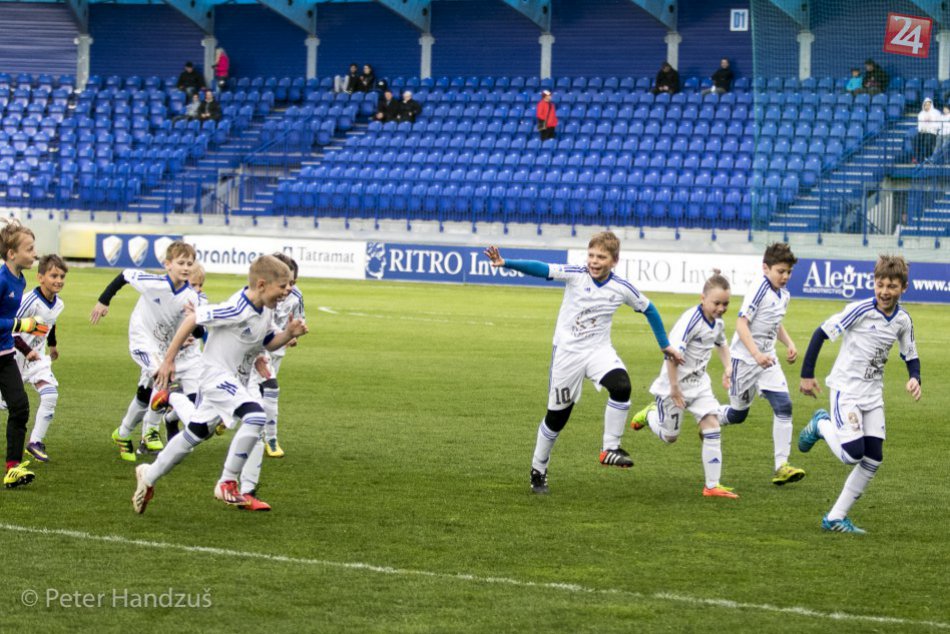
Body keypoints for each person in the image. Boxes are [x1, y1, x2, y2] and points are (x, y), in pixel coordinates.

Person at [483, 232, 684, 495]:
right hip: (568, 354)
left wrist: (663, 343)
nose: (594, 261)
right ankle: (538, 469)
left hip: (598, 351)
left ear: (614, 260)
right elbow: (542, 269)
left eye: (601, 257)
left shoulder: (621, 287)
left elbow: (649, 308)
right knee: (556, 419)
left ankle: (610, 448)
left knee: (622, 386)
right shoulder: (576, 273)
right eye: (591, 255)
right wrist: (505, 262)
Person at [133, 255, 308, 514]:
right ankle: (228, 483)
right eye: (282, 286)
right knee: (256, 417)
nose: (288, 291)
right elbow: (193, 320)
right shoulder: (238, 308)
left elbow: (268, 340)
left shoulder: (266, 308)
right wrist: (168, 361)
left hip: (237, 379)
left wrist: (288, 334)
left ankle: (148, 475)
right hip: (217, 377)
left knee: (194, 434)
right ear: (262, 284)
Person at [798, 255, 920, 534]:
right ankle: (821, 424)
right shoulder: (860, 310)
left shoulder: (903, 320)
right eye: (880, 284)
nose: (884, 291)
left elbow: (910, 355)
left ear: (904, 288)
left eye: (891, 286)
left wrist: (915, 378)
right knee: (852, 455)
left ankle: (835, 517)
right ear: (874, 284)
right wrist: (807, 374)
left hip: (872, 395)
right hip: (847, 390)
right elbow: (821, 333)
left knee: (873, 458)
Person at [630, 270, 736, 498]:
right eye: (716, 303)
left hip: (699, 385)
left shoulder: (717, 322)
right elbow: (671, 355)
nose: (721, 308)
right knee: (670, 437)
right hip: (674, 385)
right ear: (703, 298)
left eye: (725, 303)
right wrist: (674, 388)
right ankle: (650, 415)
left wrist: (728, 367)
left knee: (712, 424)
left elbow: (722, 344)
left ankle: (712, 486)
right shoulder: (691, 321)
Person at [90, 241, 198, 462]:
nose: (186, 267)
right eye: (181, 262)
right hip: (141, 339)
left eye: (190, 263)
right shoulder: (153, 282)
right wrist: (103, 300)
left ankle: (121, 434)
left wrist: (193, 328)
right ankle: (150, 431)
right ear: (168, 264)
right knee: (163, 375)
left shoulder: (192, 297)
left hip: (163, 348)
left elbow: (199, 329)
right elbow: (124, 275)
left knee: (145, 393)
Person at [717, 242, 806, 485]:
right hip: (745, 361)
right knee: (737, 414)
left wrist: (789, 343)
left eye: (788, 272)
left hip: (767, 360)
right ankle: (708, 416)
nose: (785, 276)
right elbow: (741, 324)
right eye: (781, 271)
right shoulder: (759, 288)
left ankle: (782, 465)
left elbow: (774, 323)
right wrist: (756, 355)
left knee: (784, 406)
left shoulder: (784, 294)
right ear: (765, 268)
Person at [1, 220, 46, 489]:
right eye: (29, 249)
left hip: (4, 354)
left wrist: (27, 339)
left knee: (20, 407)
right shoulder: (1, 280)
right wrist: (21, 325)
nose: (34, 254)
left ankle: (12, 468)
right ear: (11, 253)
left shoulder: (21, 280)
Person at [9, 254, 67, 463]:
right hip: (13, 359)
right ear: (40, 277)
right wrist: (26, 350)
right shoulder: (28, 301)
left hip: (37, 361)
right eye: (53, 275)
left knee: (50, 395)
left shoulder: (58, 304)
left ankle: (35, 442)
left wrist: (52, 345)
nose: (58, 280)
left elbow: (49, 323)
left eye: (61, 276)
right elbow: (10, 328)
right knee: (8, 404)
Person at [247, 253, 305, 458]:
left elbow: (298, 320)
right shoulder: (255, 297)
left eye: (292, 282)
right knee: (268, 390)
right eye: (285, 283)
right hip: (253, 352)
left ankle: (263, 435)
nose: (289, 287)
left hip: (275, 350)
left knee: (263, 393)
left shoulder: (295, 297)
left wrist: (292, 334)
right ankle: (270, 437)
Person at [155, 263, 208, 442]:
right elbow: (160, 329)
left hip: (193, 360)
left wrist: (195, 325)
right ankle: (147, 437)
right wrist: (178, 339)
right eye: (194, 285)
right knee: (148, 401)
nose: (198, 289)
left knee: (195, 405)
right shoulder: (169, 300)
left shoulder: (202, 300)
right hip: (168, 360)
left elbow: (201, 333)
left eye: (201, 285)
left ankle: (170, 419)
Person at [914, 97, 941, 163]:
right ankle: (918, 158)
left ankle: (927, 157)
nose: (927, 106)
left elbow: (939, 124)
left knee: (927, 142)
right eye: (925, 104)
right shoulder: (921, 114)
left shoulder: (936, 112)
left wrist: (930, 128)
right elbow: (920, 125)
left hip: (932, 132)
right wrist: (922, 129)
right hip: (923, 132)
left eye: (928, 104)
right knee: (915, 141)